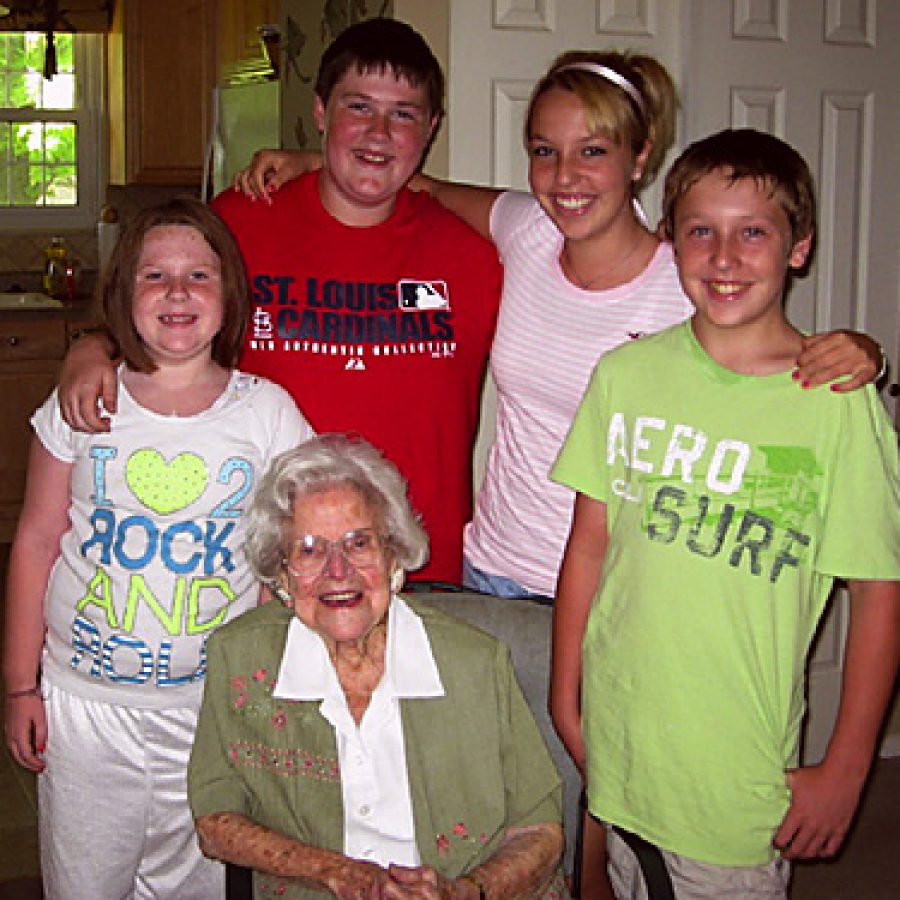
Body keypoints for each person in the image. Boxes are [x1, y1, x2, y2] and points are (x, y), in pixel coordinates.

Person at [234, 50, 881, 603]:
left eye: (593, 152)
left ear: (640, 156)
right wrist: (316, 160)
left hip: (617, 585)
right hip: (490, 571)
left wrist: (861, 351)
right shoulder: (525, 232)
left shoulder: (684, 278)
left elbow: (765, 351)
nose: (565, 178)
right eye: (545, 152)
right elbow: (417, 183)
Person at [550, 128, 900, 898]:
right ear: (672, 240)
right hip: (622, 743)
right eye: (701, 231)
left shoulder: (836, 407)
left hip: (734, 781)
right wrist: (564, 692)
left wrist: (847, 769)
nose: (724, 257)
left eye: (753, 233)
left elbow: (879, 592)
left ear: (798, 247)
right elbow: (589, 546)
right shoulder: (626, 375)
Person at [56, 18, 502, 586]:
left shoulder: (476, 255)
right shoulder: (240, 224)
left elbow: (568, 222)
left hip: (418, 567)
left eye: (404, 114)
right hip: (263, 571)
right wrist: (94, 345)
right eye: (358, 107)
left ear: (431, 127)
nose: (379, 132)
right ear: (321, 112)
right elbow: (153, 308)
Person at [2, 197, 314, 899]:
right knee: (83, 883)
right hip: (84, 709)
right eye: (155, 276)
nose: (178, 292)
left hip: (207, 713)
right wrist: (21, 683)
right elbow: (35, 540)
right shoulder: (82, 403)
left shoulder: (268, 413)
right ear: (123, 294)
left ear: (230, 295)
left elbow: (290, 553)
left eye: (199, 276)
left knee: (195, 884)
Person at [187, 433, 567, 899]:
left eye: (358, 543)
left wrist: (462, 892)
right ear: (282, 573)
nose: (338, 570)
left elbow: (541, 834)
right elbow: (214, 820)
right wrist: (337, 872)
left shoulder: (474, 662)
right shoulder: (241, 658)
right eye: (309, 550)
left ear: (393, 555)